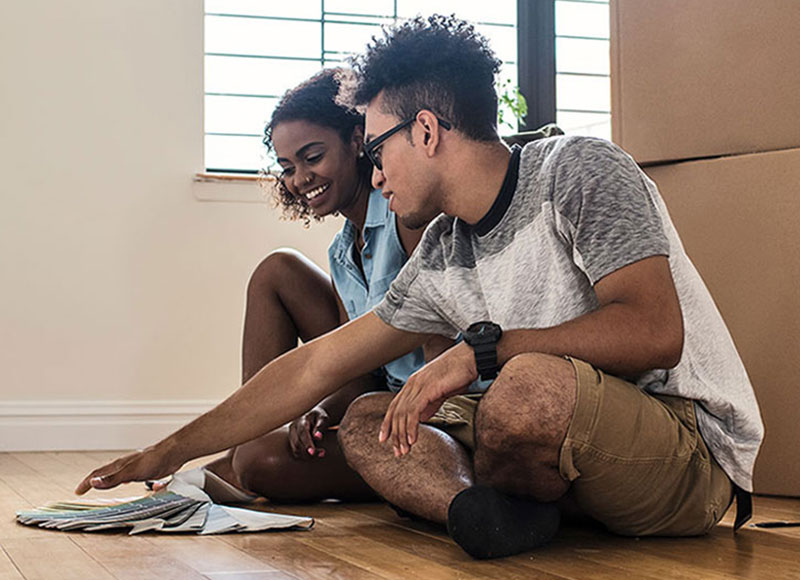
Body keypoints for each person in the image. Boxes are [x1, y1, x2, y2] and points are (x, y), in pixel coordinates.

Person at [77, 15, 763, 560]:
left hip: (683, 449)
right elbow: (315, 365)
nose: (374, 174)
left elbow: (653, 330)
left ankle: (519, 500)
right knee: (372, 417)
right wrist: (167, 451)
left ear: (428, 131)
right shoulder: (441, 248)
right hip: (541, 447)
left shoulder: (579, 170)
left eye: (376, 150)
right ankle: (482, 518)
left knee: (524, 385)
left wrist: (480, 353)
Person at [182, 67, 429, 503]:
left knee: (262, 463)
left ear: (357, 141)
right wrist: (321, 410)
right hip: (377, 392)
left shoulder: (403, 214)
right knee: (278, 270)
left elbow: (423, 346)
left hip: (420, 413)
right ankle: (242, 442)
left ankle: (242, 460)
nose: (299, 180)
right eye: (288, 167)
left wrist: (342, 414)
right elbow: (356, 368)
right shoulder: (340, 252)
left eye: (312, 158)